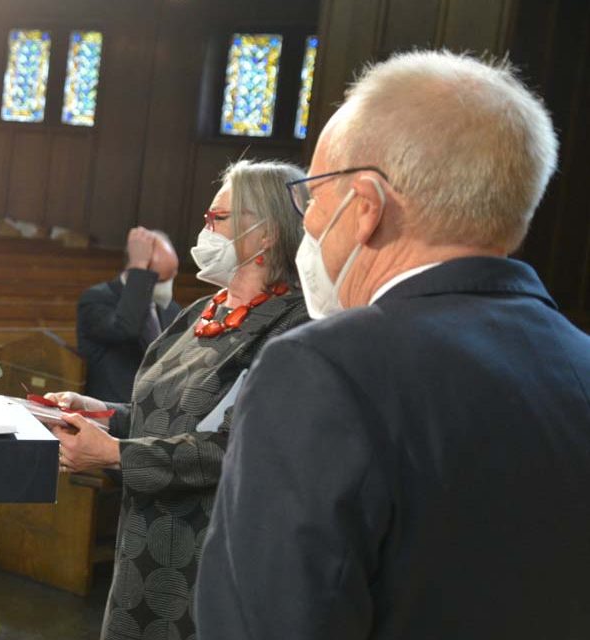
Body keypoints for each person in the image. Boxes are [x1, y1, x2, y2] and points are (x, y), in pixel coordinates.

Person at [195, 51, 590, 640]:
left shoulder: (323, 370)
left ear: (366, 207)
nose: (306, 221)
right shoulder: (578, 359)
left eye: (314, 195)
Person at [46, 160, 309, 640]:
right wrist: (103, 413)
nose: (204, 230)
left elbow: (243, 449)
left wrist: (112, 453)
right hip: (145, 542)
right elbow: (165, 414)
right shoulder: (199, 312)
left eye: (218, 219)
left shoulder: (293, 327)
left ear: (266, 234)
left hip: (209, 552)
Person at [77, 228, 182, 403]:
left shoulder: (171, 309)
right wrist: (139, 266)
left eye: (171, 277)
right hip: (111, 409)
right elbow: (126, 328)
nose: (167, 287)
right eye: (161, 281)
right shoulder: (97, 299)